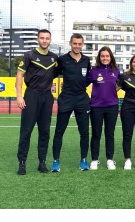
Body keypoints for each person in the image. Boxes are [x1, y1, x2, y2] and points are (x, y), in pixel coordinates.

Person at [15, 29, 58, 175]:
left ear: (50, 40)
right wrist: (19, 96)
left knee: (44, 131)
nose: (44, 40)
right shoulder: (29, 55)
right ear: (37, 39)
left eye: (47, 38)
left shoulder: (54, 58)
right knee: (26, 131)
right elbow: (20, 75)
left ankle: (42, 162)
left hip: (47, 97)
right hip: (31, 95)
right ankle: (22, 163)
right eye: (42, 38)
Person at [50, 33, 91, 172]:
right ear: (70, 43)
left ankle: (84, 160)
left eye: (80, 44)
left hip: (82, 100)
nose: (77, 46)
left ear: (82, 44)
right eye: (75, 43)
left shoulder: (87, 60)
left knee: (84, 132)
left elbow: (88, 78)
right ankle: (56, 161)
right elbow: (52, 74)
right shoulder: (62, 59)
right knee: (59, 131)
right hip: (66, 99)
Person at [86, 46, 120, 171]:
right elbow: (83, 84)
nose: (105, 58)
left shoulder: (116, 70)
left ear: (110, 57)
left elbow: (120, 84)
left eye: (107, 56)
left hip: (112, 107)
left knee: (109, 134)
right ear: (99, 58)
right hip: (96, 107)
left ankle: (110, 160)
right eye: (102, 56)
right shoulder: (93, 71)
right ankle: (94, 159)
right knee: (96, 134)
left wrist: (111, 93)